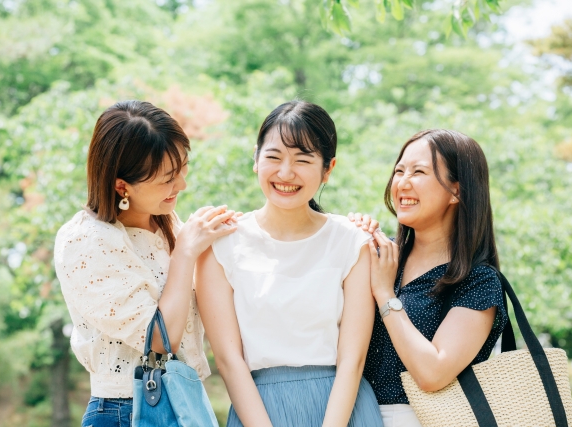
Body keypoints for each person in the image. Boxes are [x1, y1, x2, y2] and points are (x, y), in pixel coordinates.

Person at [195, 101, 384, 427]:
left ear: (328, 168)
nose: (285, 172)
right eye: (273, 156)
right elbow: (228, 360)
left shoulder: (352, 242)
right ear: (255, 159)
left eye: (303, 159)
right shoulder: (221, 244)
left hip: (341, 409)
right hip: (259, 410)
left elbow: (352, 360)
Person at [54, 100, 237, 427]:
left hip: (186, 403)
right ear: (122, 186)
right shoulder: (86, 241)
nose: (182, 185)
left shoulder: (169, 225)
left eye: (183, 168)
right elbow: (159, 339)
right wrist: (184, 253)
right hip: (127, 410)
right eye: (168, 178)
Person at [362, 129, 509, 426]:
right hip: (355, 415)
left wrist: (385, 295)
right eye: (399, 170)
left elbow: (433, 373)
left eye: (418, 172)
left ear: (457, 191)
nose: (402, 182)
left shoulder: (477, 281)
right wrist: (346, 234)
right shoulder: (380, 256)